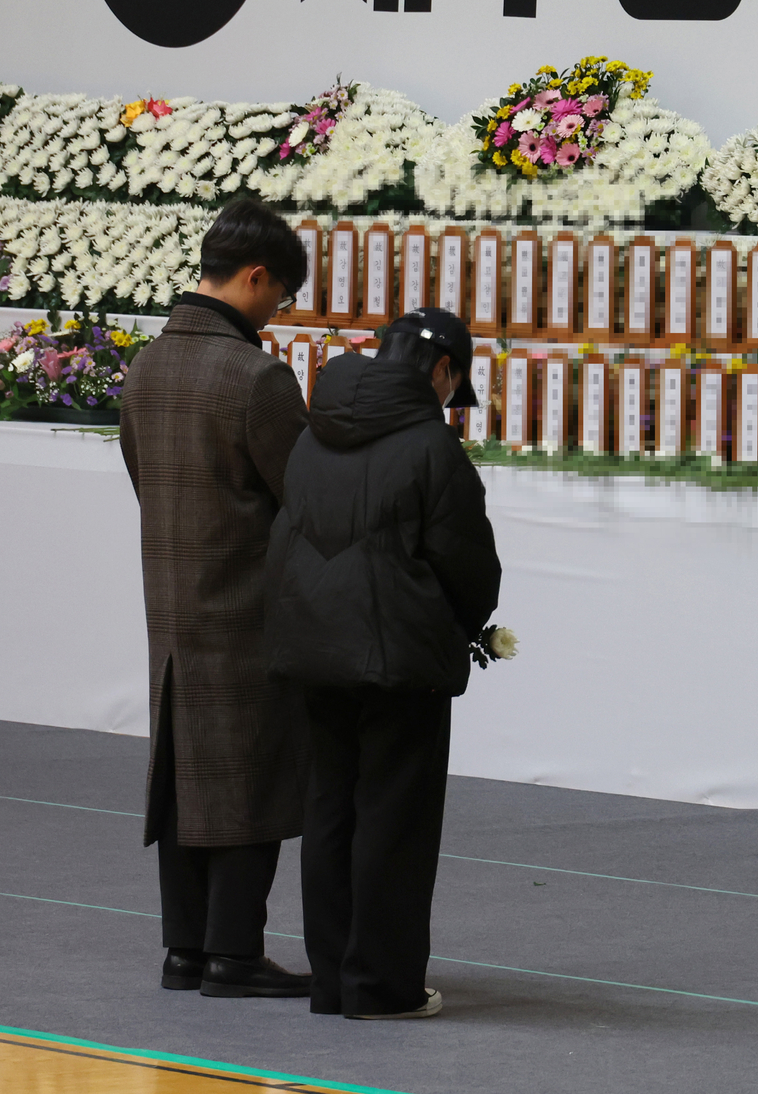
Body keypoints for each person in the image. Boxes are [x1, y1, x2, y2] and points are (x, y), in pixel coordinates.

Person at [266, 307, 501, 1020]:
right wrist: (466, 627)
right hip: (400, 658)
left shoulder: (315, 432)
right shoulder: (434, 448)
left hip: (314, 649)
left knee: (329, 811)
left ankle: (334, 978)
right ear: (441, 372)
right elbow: (469, 568)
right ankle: (381, 984)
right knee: (392, 821)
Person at [118, 197, 313, 999]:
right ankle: (234, 953)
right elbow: (304, 495)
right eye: (282, 295)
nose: (280, 310)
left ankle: (184, 950)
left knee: (183, 774)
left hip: (169, 602)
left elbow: (140, 476)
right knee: (250, 775)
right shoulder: (256, 375)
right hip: (248, 603)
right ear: (256, 275)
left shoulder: (147, 364)